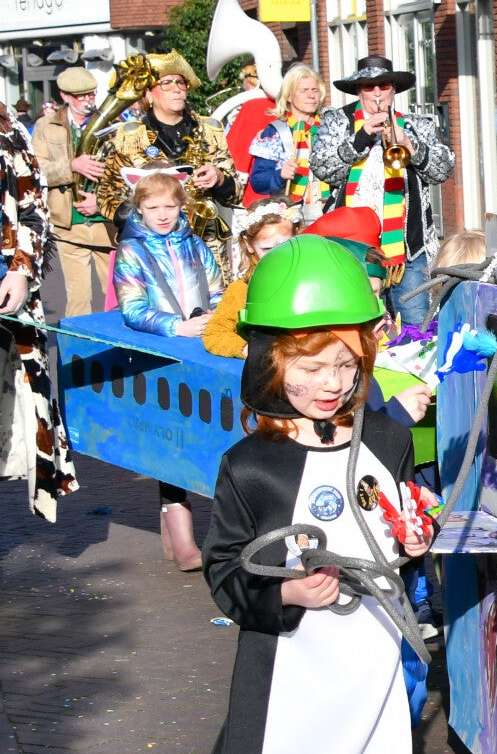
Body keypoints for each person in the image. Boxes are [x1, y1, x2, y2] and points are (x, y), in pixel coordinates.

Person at [197, 235, 431, 754]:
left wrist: (416, 537)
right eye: (310, 368)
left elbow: (403, 516)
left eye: (346, 365)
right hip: (291, 677)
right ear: (271, 366)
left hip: (369, 664)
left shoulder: (388, 436)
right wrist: (286, 593)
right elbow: (224, 571)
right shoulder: (250, 467)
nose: (331, 384)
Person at [114, 167, 225, 571]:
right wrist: (175, 326)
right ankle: (180, 535)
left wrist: (213, 317)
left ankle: (192, 530)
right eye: (153, 207)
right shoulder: (132, 250)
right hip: (160, 349)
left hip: (200, 346)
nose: (162, 215)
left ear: (182, 206)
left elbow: (217, 288)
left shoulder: (195, 244)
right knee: (171, 438)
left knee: (204, 431)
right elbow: (132, 307)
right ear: (139, 209)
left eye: (170, 206)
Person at [311, 55, 454, 329]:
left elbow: (442, 171)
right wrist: (361, 137)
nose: (377, 93)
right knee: (353, 325)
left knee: (416, 326)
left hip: (407, 249)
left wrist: (410, 145)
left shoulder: (416, 124)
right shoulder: (337, 121)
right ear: (358, 90)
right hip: (350, 246)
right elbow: (323, 168)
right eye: (369, 86)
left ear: (393, 89)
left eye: (384, 86)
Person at [94, 53, 241, 278]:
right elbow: (108, 199)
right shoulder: (130, 137)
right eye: (166, 83)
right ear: (148, 95)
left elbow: (236, 193)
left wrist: (220, 178)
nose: (177, 89)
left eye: (180, 82)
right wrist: (147, 211)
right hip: (153, 248)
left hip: (206, 245)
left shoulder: (210, 130)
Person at [0, 100, 78, 521]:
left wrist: (20, 270)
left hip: (7, 293)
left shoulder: (7, 127)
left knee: (17, 416)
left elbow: (33, 208)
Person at [30, 66, 114, 318]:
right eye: (81, 95)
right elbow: (37, 170)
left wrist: (100, 200)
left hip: (105, 221)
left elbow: (122, 172)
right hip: (68, 223)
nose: (89, 100)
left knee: (115, 296)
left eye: (92, 94)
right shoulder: (45, 126)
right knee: (78, 299)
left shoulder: (111, 124)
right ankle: (77, 344)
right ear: (65, 96)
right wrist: (71, 166)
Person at [202, 204, 298, 358]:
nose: (277, 256)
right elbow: (214, 333)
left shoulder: (310, 280)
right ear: (249, 245)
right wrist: (249, 349)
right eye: (267, 249)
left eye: (286, 246)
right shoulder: (241, 289)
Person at [249, 65, 331, 220]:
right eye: (304, 91)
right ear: (289, 97)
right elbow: (257, 181)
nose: (311, 96)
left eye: (314, 90)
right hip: (290, 215)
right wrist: (280, 175)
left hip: (328, 212)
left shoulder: (330, 128)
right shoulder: (275, 132)